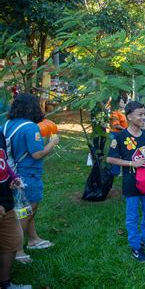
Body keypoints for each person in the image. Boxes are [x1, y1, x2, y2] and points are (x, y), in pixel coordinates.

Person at [1, 93, 59, 264]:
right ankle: (17, 250)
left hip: (10, 173)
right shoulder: (31, 127)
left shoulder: (7, 124)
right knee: (27, 211)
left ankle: (33, 239)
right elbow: (37, 154)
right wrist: (52, 142)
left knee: (23, 209)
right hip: (28, 175)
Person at [106, 101, 145, 262]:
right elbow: (110, 159)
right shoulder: (120, 137)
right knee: (133, 216)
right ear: (129, 116)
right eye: (140, 115)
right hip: (131, 182)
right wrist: (131, 164)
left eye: (144, 114)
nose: (144, 117)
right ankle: (135, 247)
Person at [0, 132, 32, 289]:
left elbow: (3, 162)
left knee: (12, 241)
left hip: (6, 202)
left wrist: (13, 177)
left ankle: (5, 283)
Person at [109, 96, 128, 176]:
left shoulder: (120, 112)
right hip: (115, 135)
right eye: (122, 102)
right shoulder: (114, 112)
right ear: (117, 103)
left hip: (120, 135)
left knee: (119, 152)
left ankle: (117, 170)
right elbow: (116, 125)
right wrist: (126, 130)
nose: (124, 103)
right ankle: (115, 171)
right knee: (115, 152)